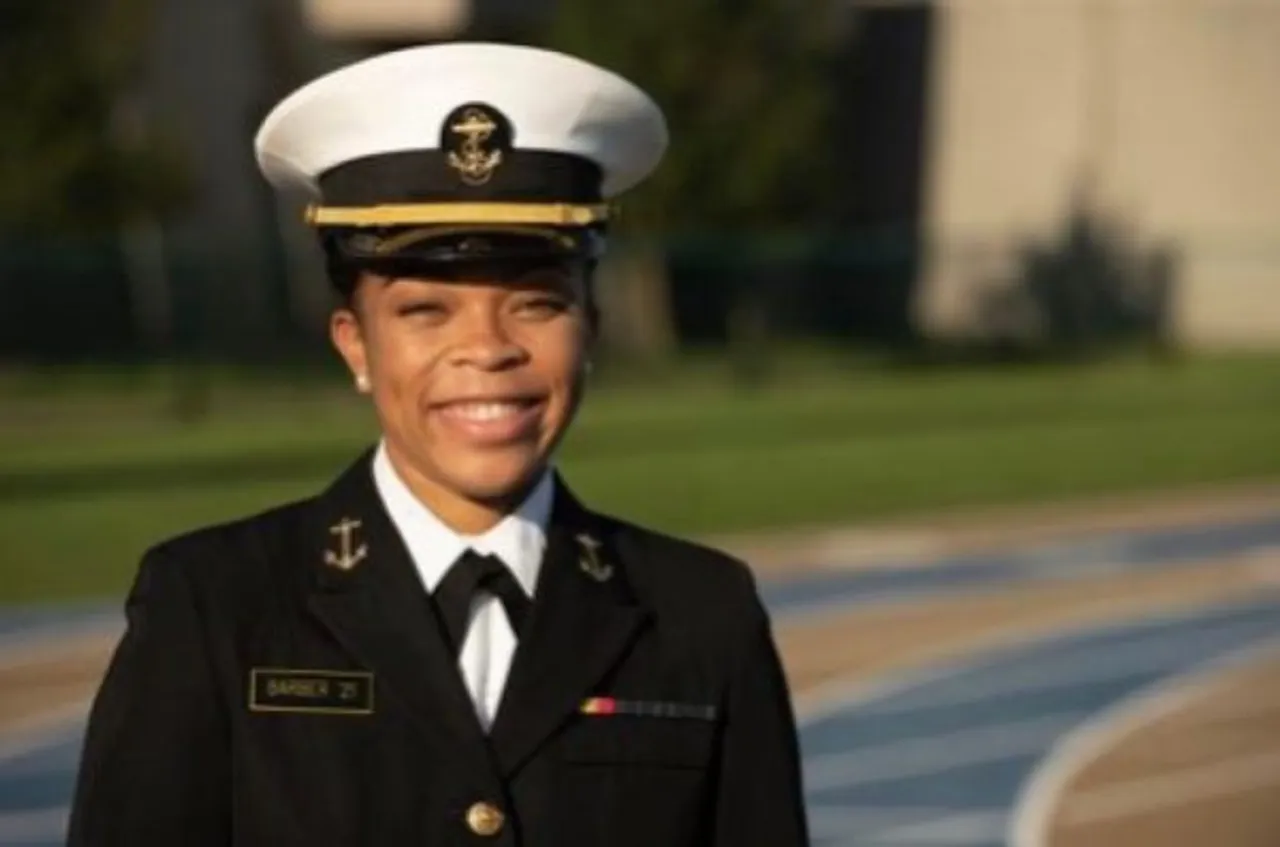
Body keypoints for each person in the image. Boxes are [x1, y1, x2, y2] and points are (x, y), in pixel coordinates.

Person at [67, 42, 809, 846]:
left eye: (536, 304)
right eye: (427, 311)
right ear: (355, 345)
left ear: (589, 331)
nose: (487, 348)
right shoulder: (216, 605)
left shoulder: (700, 615)